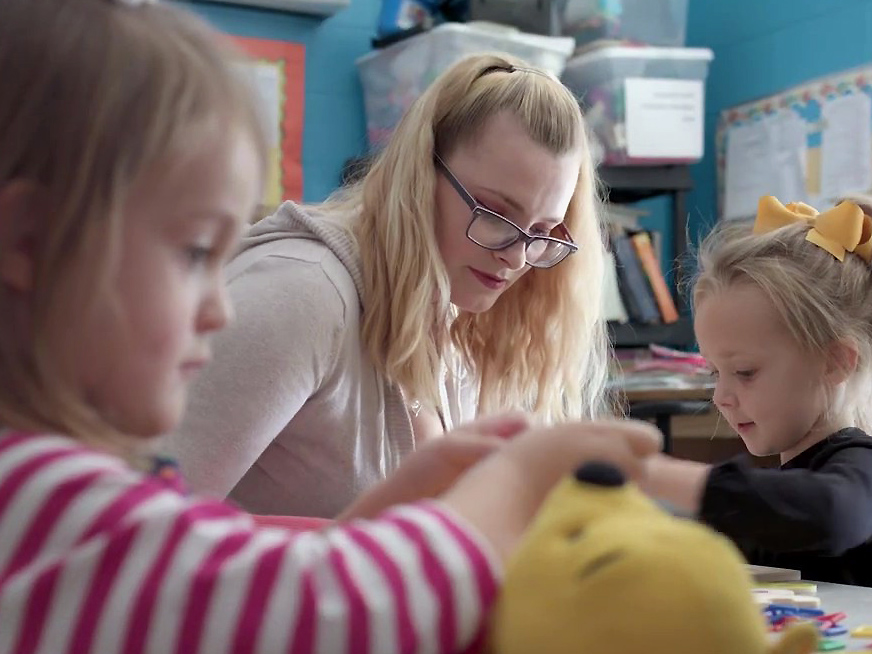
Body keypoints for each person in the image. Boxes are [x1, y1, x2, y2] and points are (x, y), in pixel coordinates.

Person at [0, 1, 662, 651]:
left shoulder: (448, 324)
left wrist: (409, 495)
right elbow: (313, 602)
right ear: (28, 242)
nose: (518, 256)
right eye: (197, 252)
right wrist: (517, 482)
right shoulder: (47, 505)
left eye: (544, 235)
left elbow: (235, 561)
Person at [167, 52, 612, 519]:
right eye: (495, 212)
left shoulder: (455, 317)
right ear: (421, 171)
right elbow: (128, 540)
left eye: (542, 231)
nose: (516, 256)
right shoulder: (303, 294)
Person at [642, 195, 872, 590]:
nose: (721, 396)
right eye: (714, 372)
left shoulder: (863, 467)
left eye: (744, 372)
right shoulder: (780, 489)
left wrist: (657, 475)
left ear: (835, 362)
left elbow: (828, 515)